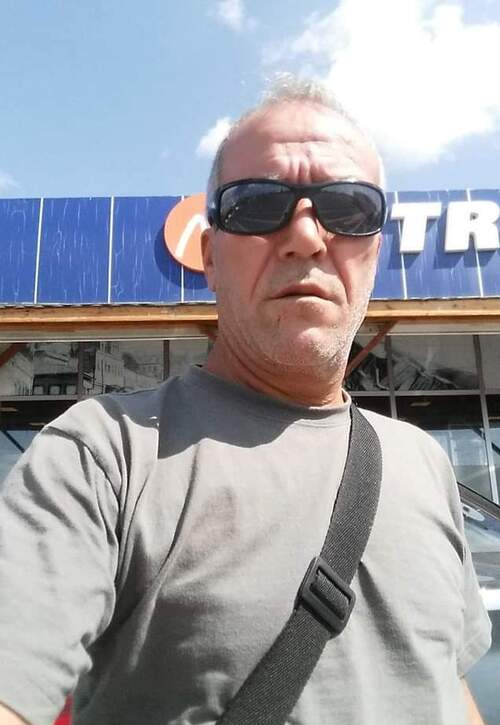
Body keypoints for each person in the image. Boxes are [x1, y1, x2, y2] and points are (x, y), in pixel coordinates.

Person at [0, 78, 491, 725]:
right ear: (209, 257)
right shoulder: (102, 454)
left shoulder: (424, 461)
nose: (306, 236)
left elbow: (445, 687)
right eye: (258, 204)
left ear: (376, 251)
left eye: (348, 207)